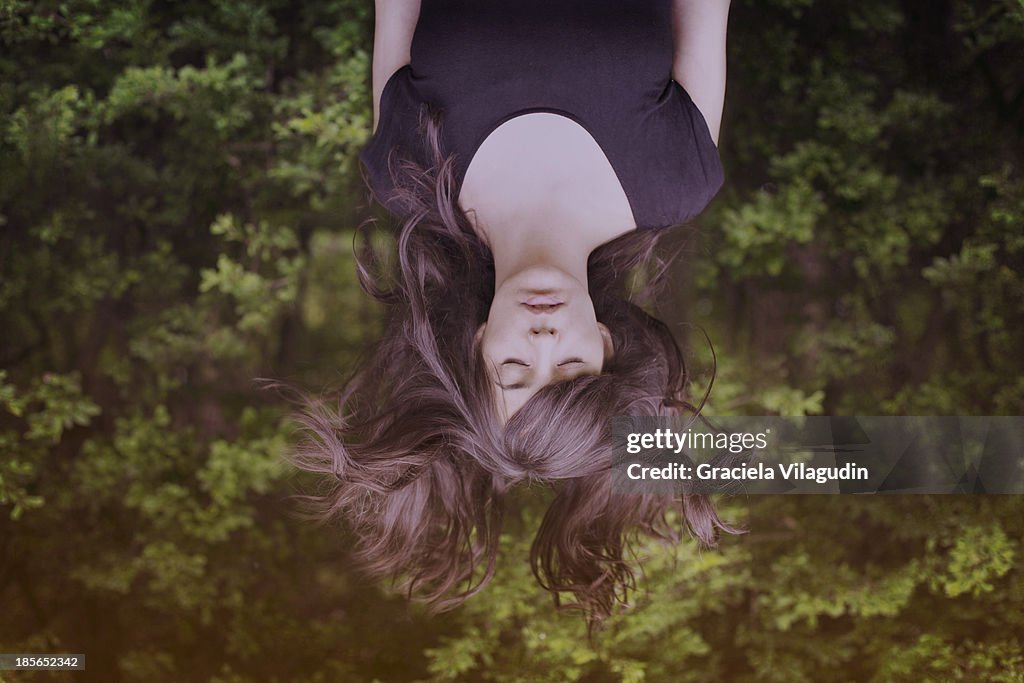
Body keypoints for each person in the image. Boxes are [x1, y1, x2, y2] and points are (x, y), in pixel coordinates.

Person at [291, 0, 737, 624]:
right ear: (607, 344)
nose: (544, 336)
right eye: (572, 366)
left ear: (477, 347)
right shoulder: (676, 179)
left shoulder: (408, 173)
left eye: (515, 371)